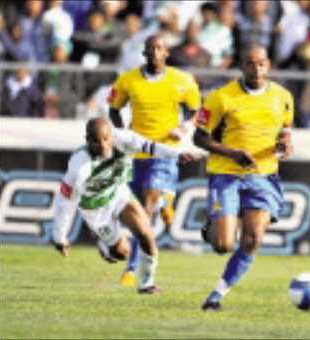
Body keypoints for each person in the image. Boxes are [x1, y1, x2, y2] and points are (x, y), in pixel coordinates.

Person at [193, 45, 294, 311]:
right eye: (251, 64)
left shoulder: (283, 97)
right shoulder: (220, 97)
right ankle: (213, 227)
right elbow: (199, 137)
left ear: (268, 65)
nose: (256, 69)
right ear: (242, 66)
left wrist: (285, 145)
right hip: (226, 173)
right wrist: (232, 153)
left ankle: (217, 295)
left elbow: (285, 132)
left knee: (253, 239)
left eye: (261, 64)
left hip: (262, 175)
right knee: (223, 244)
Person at [52, 117, 199, 293]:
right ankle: (107, 248)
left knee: (146, 233)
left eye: (106, 139)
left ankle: (147, 284)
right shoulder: (79, 166)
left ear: (111, 135)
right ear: (88, 141)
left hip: (118, 193)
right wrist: (60, 235)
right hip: (95, 208)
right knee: (122, 253)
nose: (104, 146)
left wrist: (177, 154)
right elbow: (66, 201)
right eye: (97, 142)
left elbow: (151, 147)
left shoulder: (124, 139)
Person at [109, 34, 200, 287]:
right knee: (136, 210)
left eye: (159, 48)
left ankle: (132, 268)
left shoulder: (182, 80)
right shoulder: (128, 80)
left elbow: (196, 110)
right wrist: (122, 134)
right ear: (145, 52)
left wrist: (184, 129)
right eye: (150, 48)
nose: (154, 52)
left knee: (145, 208)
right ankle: (166, 200)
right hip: (137, 152)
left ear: (166, 53)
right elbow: (113, 108)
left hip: (165, 151)